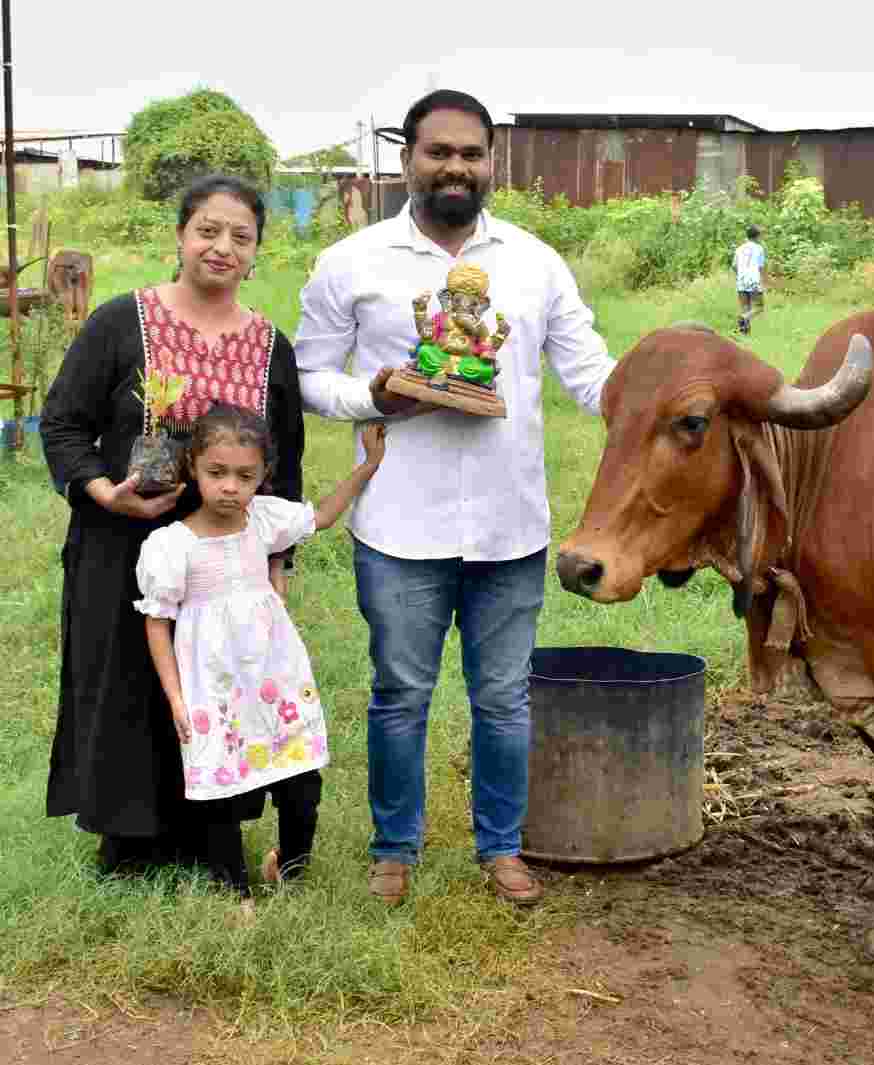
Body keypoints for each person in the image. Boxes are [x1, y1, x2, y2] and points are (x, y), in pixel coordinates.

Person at [294, 89, 615, 907]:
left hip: (511, 526)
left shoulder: (534, 262)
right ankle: (394, 849)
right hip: (401, 524)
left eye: (471, 154)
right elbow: (308, 375)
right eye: (439, 152)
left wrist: (669, 393)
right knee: (400, 695)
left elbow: (589, 373)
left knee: (504, 700)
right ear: (407, 159)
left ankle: (501, 848)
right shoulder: (354, 261)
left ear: (491, 162)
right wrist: (377, 395)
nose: (456, 168)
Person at [41, 175, 305, 876]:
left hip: (225, 559)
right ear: (180, 237)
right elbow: (64, 422)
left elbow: (287, 468)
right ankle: (128, 842)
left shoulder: (272, 348)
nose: (221, 247)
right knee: (127, 678)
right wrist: (105, 491)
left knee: (215, 686)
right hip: (119, 541)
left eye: (240, 236)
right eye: (207, 231)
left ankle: (205, 835)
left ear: (256, 253)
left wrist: (278, 568)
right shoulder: (119, 322)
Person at [134, 405, 384, 911]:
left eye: (244, 476)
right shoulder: (170, 546)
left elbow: (323, 514)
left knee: (302, 781)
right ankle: (235, 893)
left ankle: (289, 869)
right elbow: (157, 622)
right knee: (221, 790)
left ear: (262, 475)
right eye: (217, 473)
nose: (230, 487)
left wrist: (369, 463)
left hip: (275, 675)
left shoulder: (264, 521)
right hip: (213, 685)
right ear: (192, 470)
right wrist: (176, 697)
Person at [733, 225, 766, 334]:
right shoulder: (759, 248)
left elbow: (734, 266)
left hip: (741, 280)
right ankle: (743, 318)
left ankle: (745, 335)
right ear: (757, 236)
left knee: (745, 307)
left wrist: (740, 276)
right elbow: (760, 267)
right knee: (759, 307)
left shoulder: (739, 249)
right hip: (753, 280)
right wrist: (762, 282)